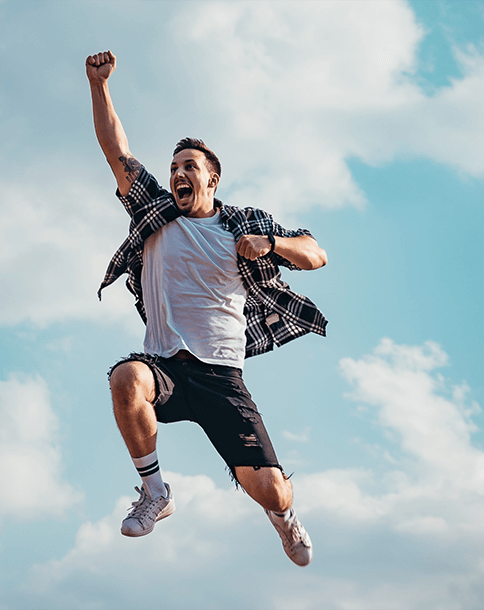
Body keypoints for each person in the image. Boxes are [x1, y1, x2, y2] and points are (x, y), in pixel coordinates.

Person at [86, 50, 328, 567]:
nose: (177, 173)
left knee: (273, 491)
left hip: (222, 378)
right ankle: (155, 493)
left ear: (211, 180)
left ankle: (283, 518)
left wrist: (271, 244)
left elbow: (315, 253)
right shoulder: (154, 209)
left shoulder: (241, 223)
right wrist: (99, 85)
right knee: (126, 378)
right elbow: (115, 150)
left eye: (189, 167)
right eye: (173, 167)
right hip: (165, 367)